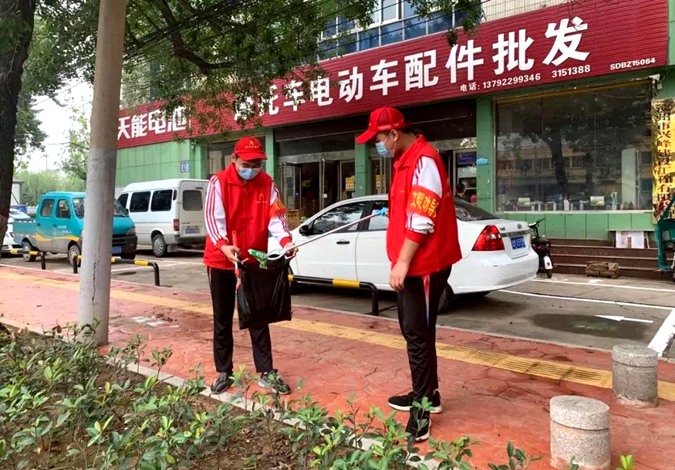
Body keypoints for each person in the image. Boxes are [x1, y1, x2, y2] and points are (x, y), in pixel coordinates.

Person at [356, 107, 462, 442]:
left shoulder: (423, 160)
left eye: (378, 139)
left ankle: (422, 409)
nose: (378, 146)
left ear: (393, 133)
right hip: (414, 265)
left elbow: (423, 218)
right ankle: (428, 393)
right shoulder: (405, 161)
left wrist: (402, 262)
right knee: (415, 332)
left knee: (418, 335)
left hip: (424, 265)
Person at [203, 136, 296, 395]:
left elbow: (277, 216)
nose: (252, 170)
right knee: (222, 317)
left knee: (258, 315)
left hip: (254, 259)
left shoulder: (267, 183)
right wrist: (223, 245)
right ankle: (224, 371)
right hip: (221, 259)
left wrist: (286, 241)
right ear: (233, 159)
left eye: (257, 165)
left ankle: (266, 372)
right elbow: (213, 219)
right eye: (246, 164)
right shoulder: (219, 182)